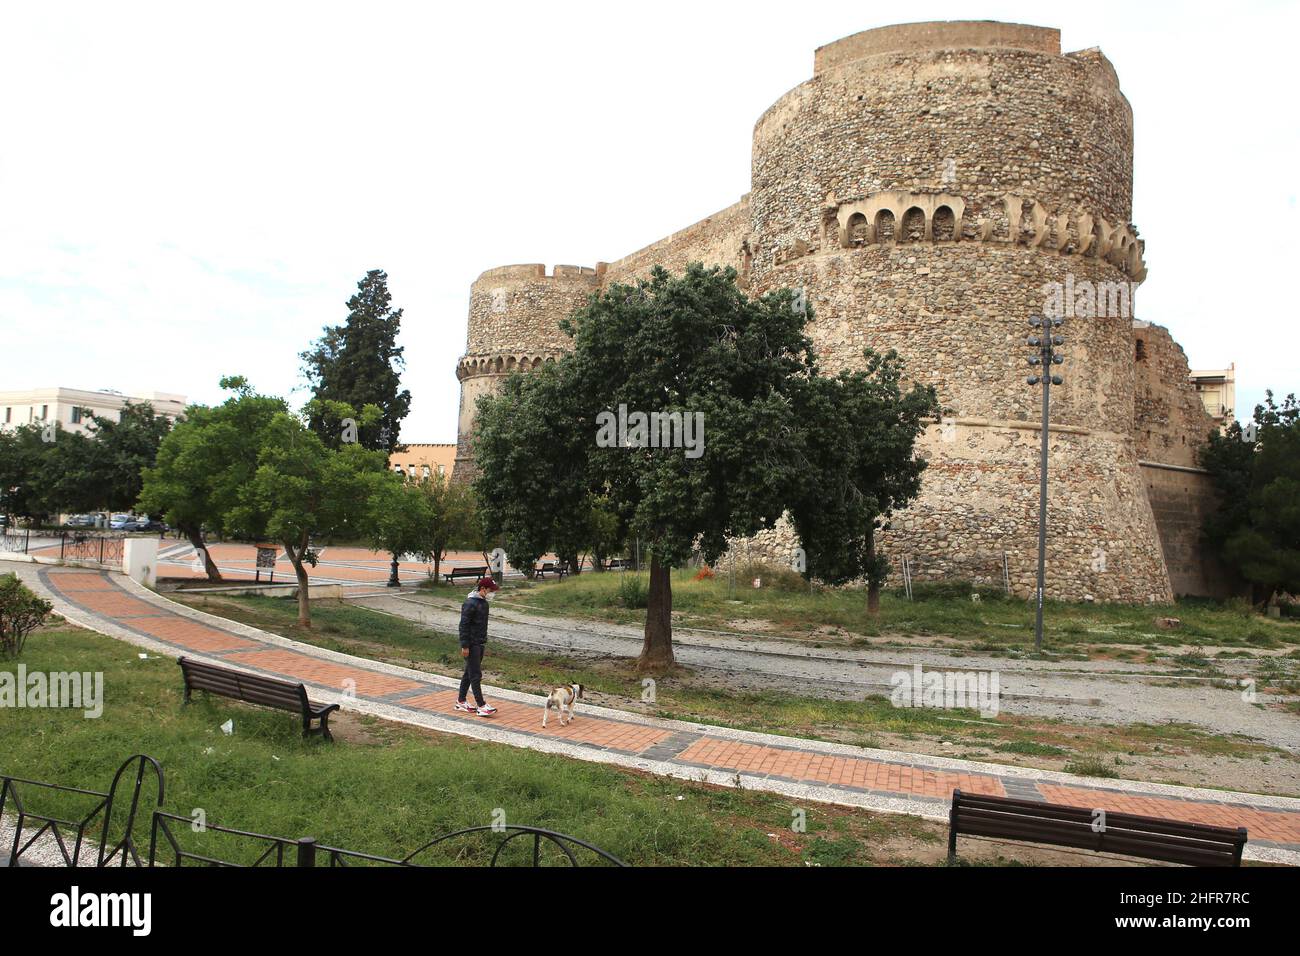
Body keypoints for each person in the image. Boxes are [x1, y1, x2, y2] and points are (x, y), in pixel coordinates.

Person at [455, 576, 500, 716]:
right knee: (475, 675)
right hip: (471, 644)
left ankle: (461, 701)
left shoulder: (484, 603)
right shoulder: (470, 603)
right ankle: (481, 706)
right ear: (482, 589)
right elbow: (463, 626)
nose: (492, 593)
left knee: (469, 673)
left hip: (480, 643)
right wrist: (465, 646)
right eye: (490, 590)